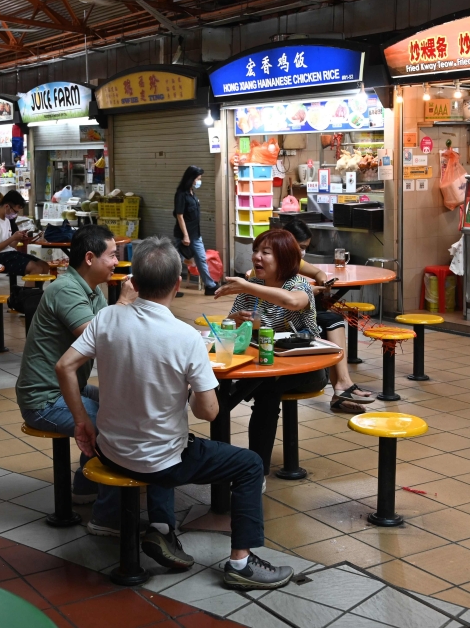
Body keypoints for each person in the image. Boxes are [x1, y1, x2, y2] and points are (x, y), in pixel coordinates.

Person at [56, 237, 294, 590]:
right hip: (159, 458)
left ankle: (163, 529)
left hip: (110, 450)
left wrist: (82, 422)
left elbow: (65, 366)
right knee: (247, 465)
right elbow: (209, 413)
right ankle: (241, 563)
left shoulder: (107, 318)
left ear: (133, 282)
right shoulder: (186, 338)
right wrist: (189, 390)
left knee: (167, 440)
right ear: (178, 283)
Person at [17, 225, 135, 535]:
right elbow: (98, 339)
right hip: (44, 400)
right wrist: (123, 303)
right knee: (113, 422)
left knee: (116, 405)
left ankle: (85, 488)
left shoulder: (91, 289)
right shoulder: (66, 289)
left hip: (68, 389)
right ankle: (107, 518)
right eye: (112, 256)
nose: (116, 263)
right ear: (89, 258)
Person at [216, 229, 327, 477]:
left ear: (285, 258)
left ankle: (257, 473)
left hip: (308, 369)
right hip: (265, 367)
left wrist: (249, 287)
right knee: (265, 387)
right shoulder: (251, 286)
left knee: (267, 390)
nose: (257, 257)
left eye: (266, 252)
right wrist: (237, 320)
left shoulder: (299, 285)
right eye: (256, 250)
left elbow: (292, 302)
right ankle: (255, 470)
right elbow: (230, 331)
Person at [284, 220, 375, 412]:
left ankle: (342, 387)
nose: (302, 252)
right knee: (331, 321)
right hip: (280, 318)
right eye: (300, 247)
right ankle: (342, 386)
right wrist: (309, 290)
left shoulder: (292, 260)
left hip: (295, 313)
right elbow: (284, 296)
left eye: (304, 248)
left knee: (332, 320)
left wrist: (322, 280)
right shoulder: (275, 260)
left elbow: (316, 272)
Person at [0, 190, 47, 276]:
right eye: (15, 212)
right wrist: (13, 237)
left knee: (44, 265)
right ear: (7, 206)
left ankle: (36, 289)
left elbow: (9, 246)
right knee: (35, 268)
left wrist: (19, 238)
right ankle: (29, 289)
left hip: (8, 253)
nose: (15, 214)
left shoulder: (6, 220)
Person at [173, 166, 217, 296]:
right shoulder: (181, 194)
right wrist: (185, 236)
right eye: (198, 178)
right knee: (176, 263)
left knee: (201, 259)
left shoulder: (192, 193)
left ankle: (210, 286)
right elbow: (179, 216)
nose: (199, 181)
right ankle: (171, 288)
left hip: (195, 234)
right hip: (183, 236)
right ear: (191, 178)